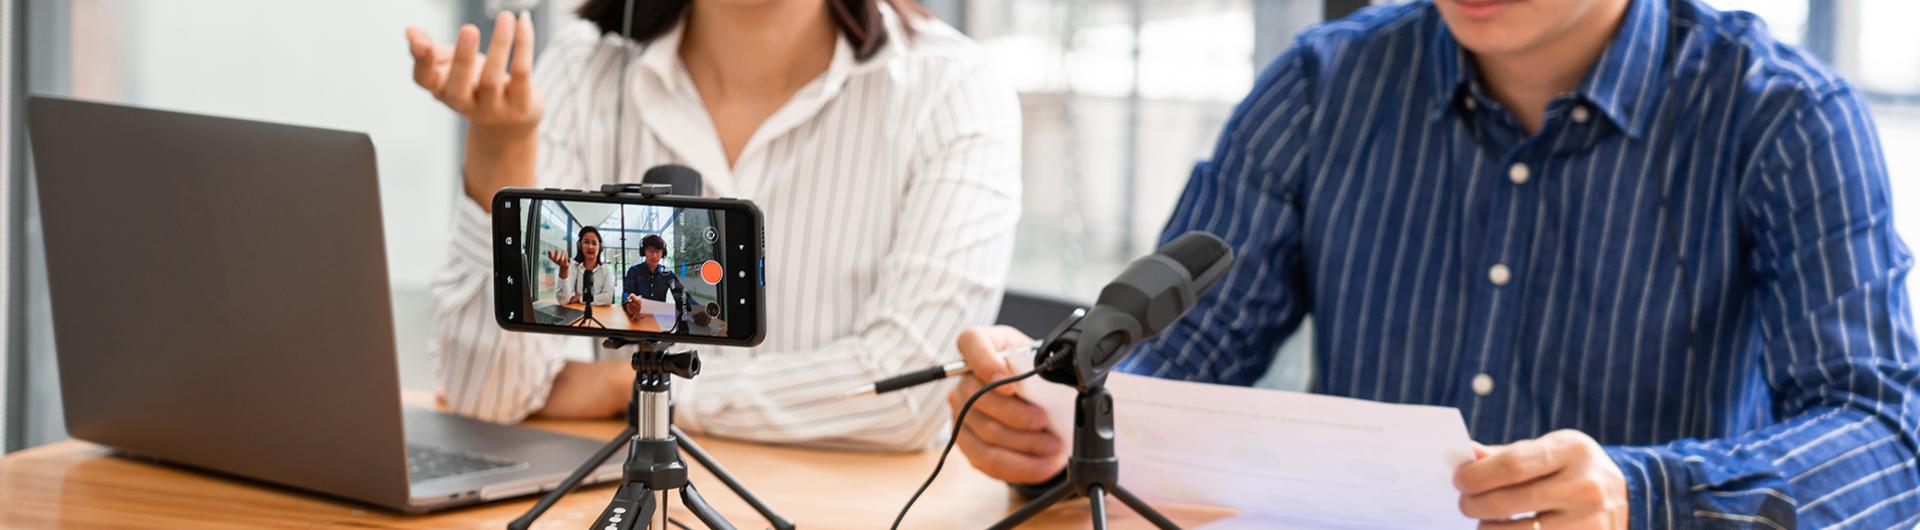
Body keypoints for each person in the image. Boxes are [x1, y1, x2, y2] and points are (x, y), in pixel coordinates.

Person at [949, 0, 1920, 527]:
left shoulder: (1785, 113)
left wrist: (1640, 493)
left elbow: (1884, 436)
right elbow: (1175, 363)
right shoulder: (1326, 82)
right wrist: (1058, 416)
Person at [406, 0, 1021, 452]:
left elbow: (906, 394)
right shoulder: (585, 67)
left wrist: (627, 385)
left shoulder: (955, 90)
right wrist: (504, 147)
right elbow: (485, 396)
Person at [621, 234, 692, 329]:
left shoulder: (668, 274)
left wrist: (698, 310)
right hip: (636, 318)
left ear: (663, 253)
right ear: (644, 252)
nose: (654, 255)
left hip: (658, 321)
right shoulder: (634, 271)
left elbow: (682, 296)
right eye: (650, 250)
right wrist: (628, 301)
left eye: (658, 251)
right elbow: (626, 293)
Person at [551, 225, 616, 306]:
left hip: (601, 313)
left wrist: (580, 298)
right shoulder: (574, 266)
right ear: (580, 245)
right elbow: (563, 301)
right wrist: (563, 270)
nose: (590, 247)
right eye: (586, 242)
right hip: (579, 313)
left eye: (594, 243)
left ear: (600, 247)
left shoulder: (607, 269)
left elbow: (608, 298)